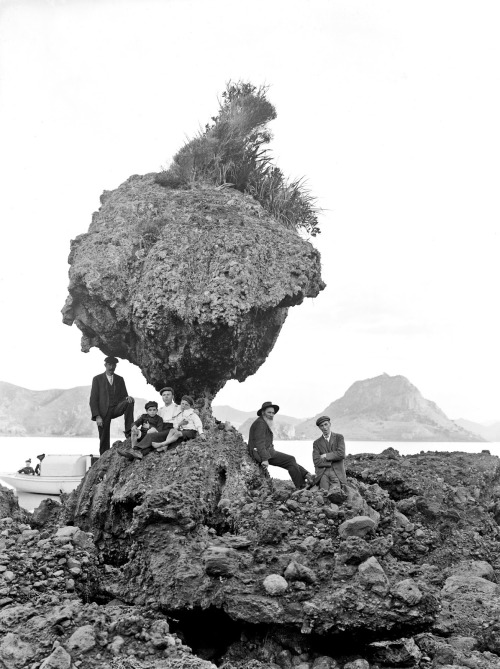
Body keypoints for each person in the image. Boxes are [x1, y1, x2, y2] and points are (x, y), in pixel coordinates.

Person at [248, 401, 312, 489]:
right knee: (290, 460)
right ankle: (301, 485)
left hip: (267, 451)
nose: (271, 415)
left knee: (290, 461)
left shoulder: (263, 422)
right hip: (260, 454)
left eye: (273, 413)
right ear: (263, 412)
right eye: (269, 412)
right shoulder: (260, 424)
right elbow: (259, 443)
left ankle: (307, 476)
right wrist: (265, 459)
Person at [89, 356, 135, 455]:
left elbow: (124, 396)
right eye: (109, 364)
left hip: (116, 408)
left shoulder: (120, 379)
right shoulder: (97, 379)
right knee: (103, 437)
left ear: (115, 366)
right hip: (103, 412)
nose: (111, 367)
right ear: (105, 365)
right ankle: (103, 458)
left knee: (130, 401)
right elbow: (93, 399)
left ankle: (129, 432)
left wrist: (127, 398)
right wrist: (97, 416)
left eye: (113, 365)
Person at [128, 387, 181, 457]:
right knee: (150, 434)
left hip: (170, 429)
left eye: (168, 394)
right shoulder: (159, 410)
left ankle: (135, 450)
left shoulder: (179, 407)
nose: (166, 397)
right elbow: (151, 417)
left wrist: (195, 411)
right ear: (162, 397)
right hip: (160, 428)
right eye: (164, 395)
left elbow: (189, 411)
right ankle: (138, 453)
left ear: (173, 396)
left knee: (151, 435)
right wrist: (138, 422)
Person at [312, 415, 347, 494]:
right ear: (319, 428)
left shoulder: (339, 437)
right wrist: (334, 457)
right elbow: (316, 461)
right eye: (321, 426)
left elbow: (341, 454)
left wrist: (325, 456)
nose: (324, 427)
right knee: (323, 494)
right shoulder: (316, 443)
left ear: (330, 424)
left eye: (326, 424)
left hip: (337, 473)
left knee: (335, 494)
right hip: (323, 473)